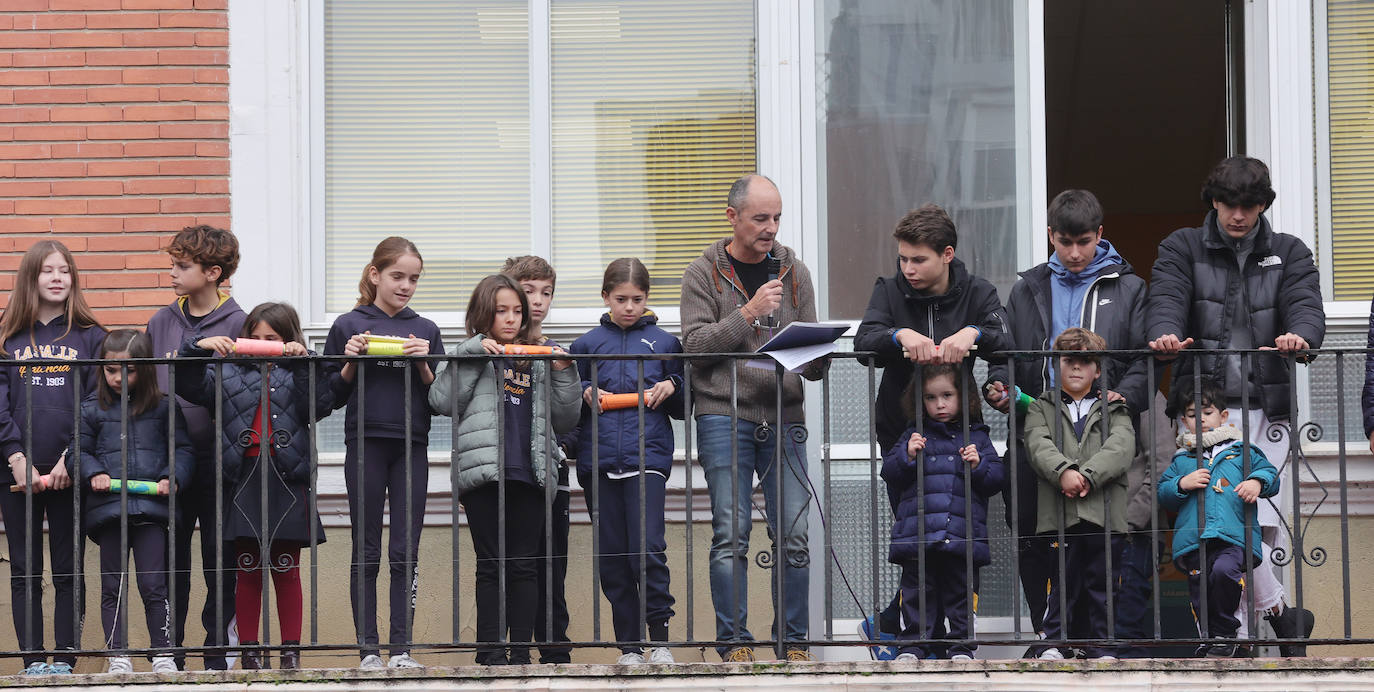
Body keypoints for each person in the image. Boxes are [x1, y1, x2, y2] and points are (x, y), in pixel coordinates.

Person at [1147, 156, 1320, 652]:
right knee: (1209, 527)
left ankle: (1237, 637)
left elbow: (1307, 305)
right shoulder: (1181, 245)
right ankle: (1270, 622)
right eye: (1228, 205)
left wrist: (1300, 336)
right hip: (1204, 407)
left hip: (1268, 407)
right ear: (1214, 203)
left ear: (1262, 205)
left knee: (1255, 523)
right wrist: (1163, 332)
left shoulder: (1289, 251)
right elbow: (1166, 297)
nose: (1237, 215)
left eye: (1247, 206)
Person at [982, 189, 1149, 655]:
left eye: (1084, 242)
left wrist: (1125, 396)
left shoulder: (1130, 287)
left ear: (1100, 235)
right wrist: (998, 385)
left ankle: (1098, 639)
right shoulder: (1027, 287)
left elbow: (1143, 361)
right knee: (1035, 538)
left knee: (1099, 547)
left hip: (1101, 429)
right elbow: (1006, 356)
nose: (1074, 254)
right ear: (1050, 236)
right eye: (1064, 242)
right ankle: (1049, 637)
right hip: (1038, 430)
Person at [680, 173, 827, 662]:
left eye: (777, 217)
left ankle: (795, 644)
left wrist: (818, 351)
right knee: (731, 533)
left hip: (785, 416)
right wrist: (747, 313)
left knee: (794, 532)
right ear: (733, 217)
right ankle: (735, 644)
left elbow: (814, 364)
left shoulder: (794, 271)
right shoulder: (703, 272)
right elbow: (695, 350)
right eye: (761, 218)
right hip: (725, 415)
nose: (771, 228)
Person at [852, 202, 1009, 657]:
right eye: (902, 258)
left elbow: (1006, 339)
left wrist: (973, 333)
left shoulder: (977, 291)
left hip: (961, 436)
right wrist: (899, 335)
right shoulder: (889, 289)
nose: (907, 269)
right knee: (916, 541)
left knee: (960, 540)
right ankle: (913, 638)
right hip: (906, 437)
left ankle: (935, 638)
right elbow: (865, 342)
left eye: (917, 259)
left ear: (946, 254)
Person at [428, 274, 581, 665]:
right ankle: (491, 653)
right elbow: (442, 399)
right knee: (491, 564)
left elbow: (565, 419)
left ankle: (520, 654)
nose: (510, 319)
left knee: (525, 566)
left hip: (532, 473)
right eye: (501, 311)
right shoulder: (475, 352)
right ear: (484, 314)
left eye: (517, 311)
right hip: (484, 474)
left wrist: (565, 371)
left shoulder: (538, 356)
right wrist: (474, 350)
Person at [176, 303, 334, 670]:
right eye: (257, 338)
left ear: (289, 339)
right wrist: (196, 347)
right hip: (241, 475)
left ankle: (290, 652)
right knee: (246, 567)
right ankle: (248, 651)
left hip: (285, 475)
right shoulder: (227, 371)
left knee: (286, 566)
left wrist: (302, 361)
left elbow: (320, 405)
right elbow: (187, 386)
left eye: (273, 339)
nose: (264, 345)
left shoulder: (298, 370)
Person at [323, 237, 444, 669]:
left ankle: (402, 650)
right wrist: (350, 359)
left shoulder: (426, 328)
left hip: (412, 445)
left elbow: (441, 400)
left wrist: (424, 363)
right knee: (366, 545)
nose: (406, 285)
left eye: (413, 278)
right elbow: (328, 397)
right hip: (365, 443)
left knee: (405, 549)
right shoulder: (347, 324)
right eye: (397, 276)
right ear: (375, 275)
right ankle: (369, 652)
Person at [0, 240, 106, 675]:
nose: (58, 277)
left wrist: (72, 457)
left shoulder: (91, 336)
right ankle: (32, 662)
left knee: (68, 568)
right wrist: (15, 455)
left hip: (69, 471)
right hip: (16, 471)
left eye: (64, 270)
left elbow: (98, 401)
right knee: (25, 569)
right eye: (47, 270)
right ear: (31, 277)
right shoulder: (6, 336)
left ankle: (64, 658)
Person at [571, 258, 683, 665]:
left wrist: (674, 384)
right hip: (599, 460)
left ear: (647, 298)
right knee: (613, 556)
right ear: (605, 297)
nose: (630, 307)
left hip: (647, 457)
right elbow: (568, 397)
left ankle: (662, 642)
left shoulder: (666, 343)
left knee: (649, 548)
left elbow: (686, 403)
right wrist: (584, 390)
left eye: (637, 299)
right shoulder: (586, 344)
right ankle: (630, 647)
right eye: (621, 299)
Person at [146, 224, 246, 671]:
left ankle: (217, 655)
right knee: (171, 561)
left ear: (213, 272)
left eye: (182, 266)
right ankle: (170, 652)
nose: (172, 272)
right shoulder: (160, 322)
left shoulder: (241, 323)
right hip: (168, 461)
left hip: (223, 461)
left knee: (219, 561)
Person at [80, 330, 194, 674]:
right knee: (113, 585)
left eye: (128, 370)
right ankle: (118, 655)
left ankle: (163, 654)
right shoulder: (91, 407)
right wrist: (94, 471)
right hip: (109, 511)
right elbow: (79, 450)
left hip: (151, 512)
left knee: (154, 584)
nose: (118, 378)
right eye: (111, 370)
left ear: (143, 369)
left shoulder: (163, 406)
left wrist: (171, 477)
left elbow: (183, 449)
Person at [1023, 328, 1134, 660]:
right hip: (1061, 512)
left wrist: (1086, 475)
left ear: (1097, 370)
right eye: (1068, 360)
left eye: (1085, 362)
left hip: (1104, 513)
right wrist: (1063, 472)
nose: (1075, 368)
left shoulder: (1115, 408)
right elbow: (1036, 443)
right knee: (1061, 581)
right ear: (1058, 365)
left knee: (1102, 583)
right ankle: (1056, 641)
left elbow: (1122, 447)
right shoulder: (1040, 406)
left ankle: (1100, 644)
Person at [881, 364, 1002, 662]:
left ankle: (961, 648)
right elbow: (890, 473)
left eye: (947, 395)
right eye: (931, 398)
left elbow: (996, 479)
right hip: (920, 535)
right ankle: (912, 645)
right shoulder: (912, 434)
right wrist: (907, 455)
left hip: (960, 535)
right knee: (917, 593)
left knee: (961, 593)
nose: (940, 404)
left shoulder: (977, 437)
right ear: (920, 401)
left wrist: (979, 465)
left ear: (965, 398)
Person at [1158, 377, 1279, 658]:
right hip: (1195, 540)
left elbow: (1270, 474)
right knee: (1200, 587)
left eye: (1207, 413)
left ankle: (1226, 633)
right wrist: (1181, 484)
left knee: (1225, 574)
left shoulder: (1241, 451)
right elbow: (1164, 493)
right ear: (1184, 420)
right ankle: (1210, 639)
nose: (1200, 420)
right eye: (1191, 414)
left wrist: (1257, 483)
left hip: (1233, 536)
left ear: (1223, 416)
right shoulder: (1182, 459)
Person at [501, 255, 573, 664]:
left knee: (552, 563)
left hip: (550, 472)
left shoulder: (554, 353)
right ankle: (513, 649)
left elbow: (571, 414)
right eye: (529, 291)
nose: (539, 301)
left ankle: (555, 648)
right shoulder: (493, 350)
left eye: (546, 292)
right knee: (510, 564)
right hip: (507, 475)